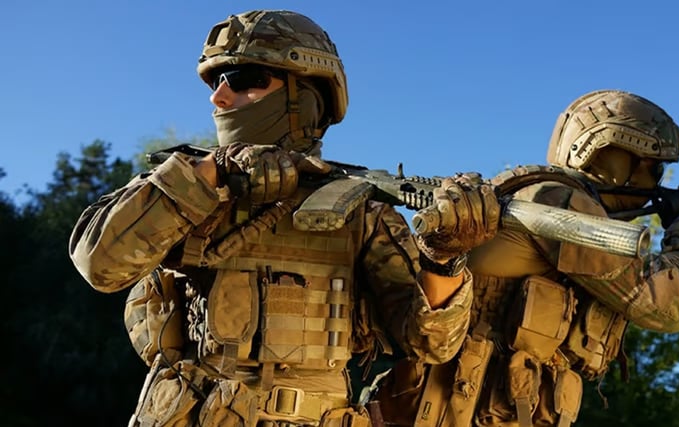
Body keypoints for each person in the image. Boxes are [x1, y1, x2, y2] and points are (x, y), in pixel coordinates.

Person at [68, 9, 497, 427]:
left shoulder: (361, 211)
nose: (219, 97)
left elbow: (431, 345)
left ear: (305, 95)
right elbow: (99, 264)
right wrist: (213, 173)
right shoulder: (186, 186)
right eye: (216, 82)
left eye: (243, 79)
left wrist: (444, 258)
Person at [370, 89, 679, 426]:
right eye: (650, 165)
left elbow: (637, 292)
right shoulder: (556, 202)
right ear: (606, 155)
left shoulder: (562, 213)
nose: (656, 180)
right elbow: (664, 306)